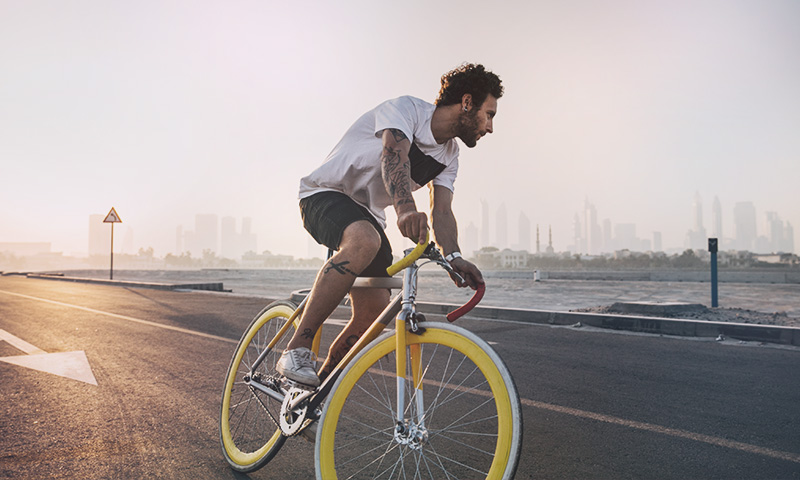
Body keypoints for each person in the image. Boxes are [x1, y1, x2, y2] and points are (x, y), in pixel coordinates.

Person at [277, 63, 503, 387]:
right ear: (467, 102)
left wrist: (454, 258)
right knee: (365, 241)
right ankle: (296, 350)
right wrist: (406, 210)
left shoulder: (450, 155)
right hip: (323, 194)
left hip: (368, 216)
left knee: (374, 315)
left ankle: (313, 394)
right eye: (489, 114)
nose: (490, 127)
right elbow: (393, 157)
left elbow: (442, 212)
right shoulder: (407, 109)